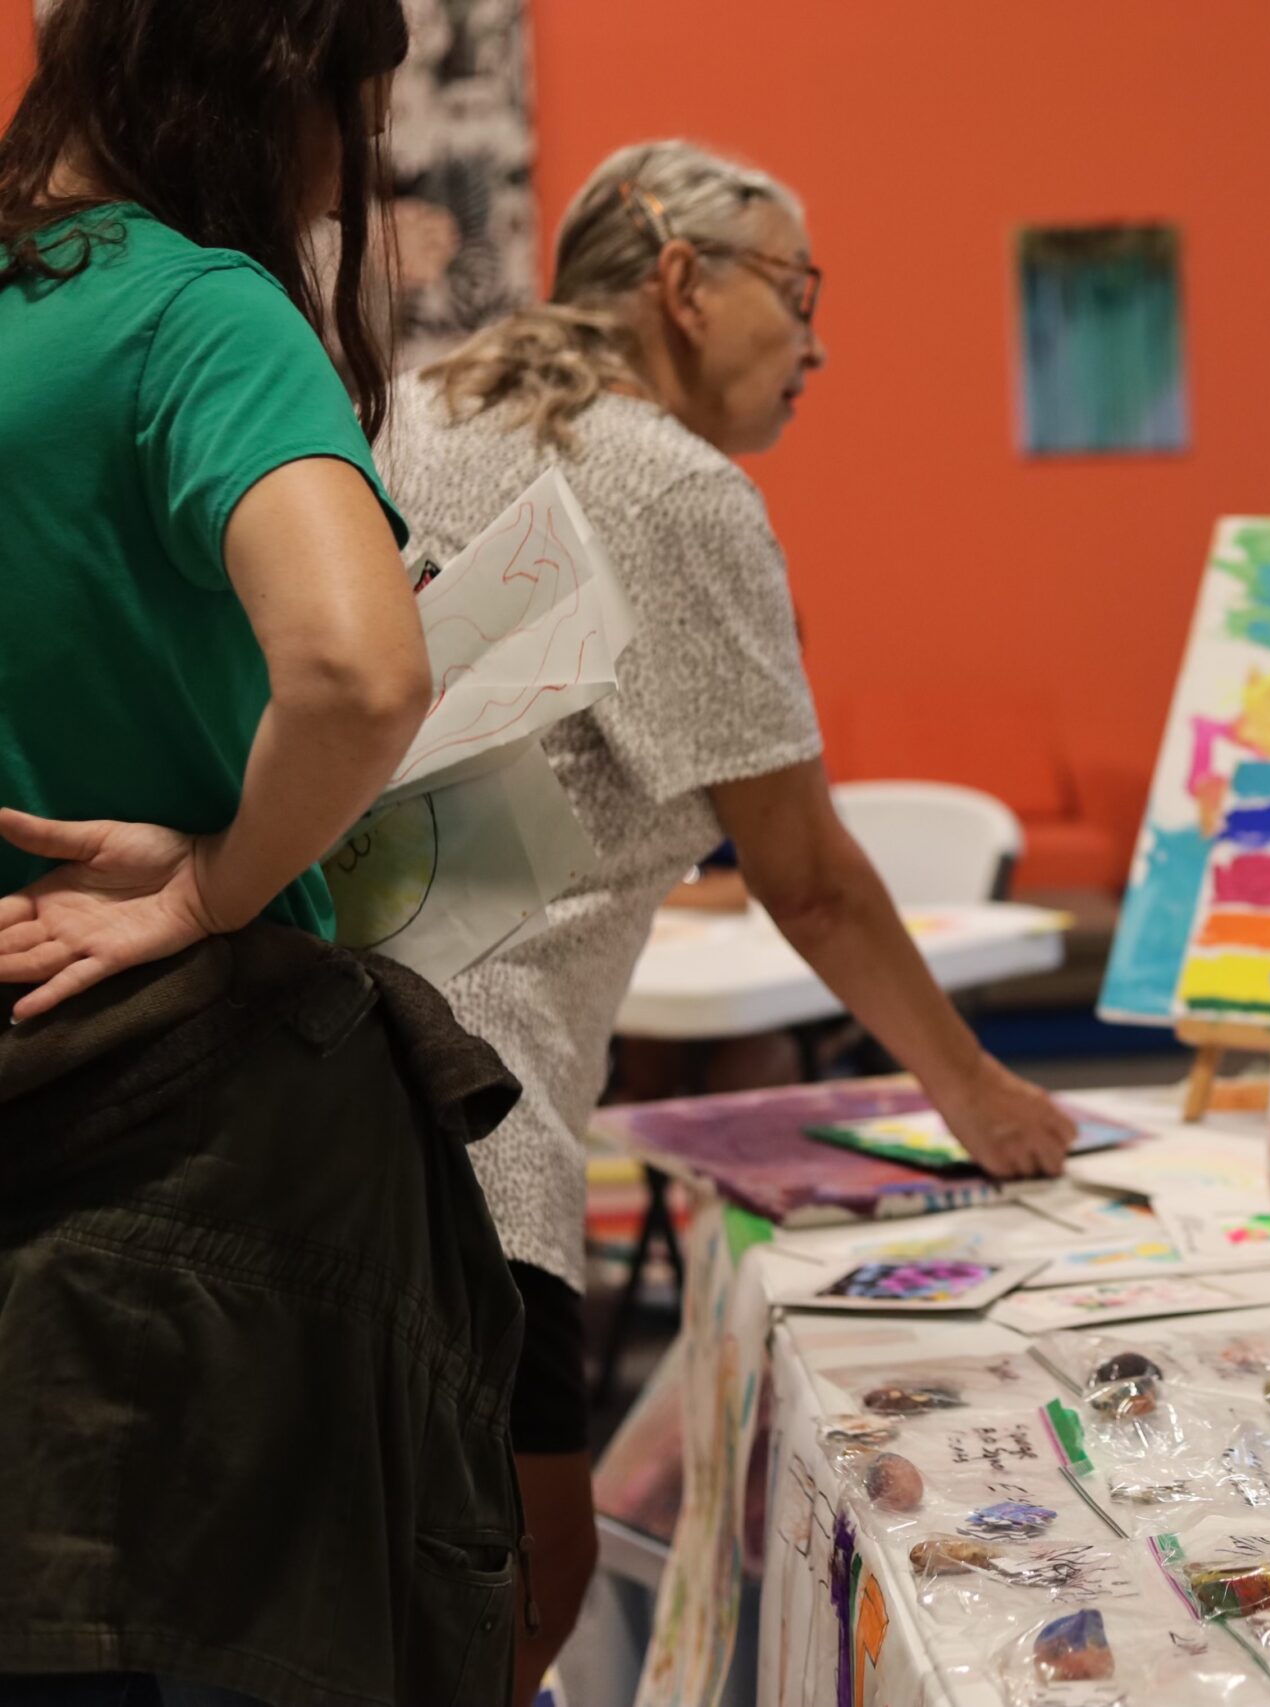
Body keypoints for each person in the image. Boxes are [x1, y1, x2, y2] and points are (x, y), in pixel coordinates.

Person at [380, 140, 1077, 1693]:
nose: (817, 341)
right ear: (684, 284)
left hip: (310, 1052)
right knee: (522, 1566)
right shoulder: (670, 481)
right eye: (798, 287)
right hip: (467, 1107)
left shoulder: (420, 405)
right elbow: (806, 869)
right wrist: (981, 1094)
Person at [0, 3, 527, 1704]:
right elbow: (361, 668)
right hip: (204, 1163)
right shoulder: (196, 310)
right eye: (350, 120)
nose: (347, 172)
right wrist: (214, 881)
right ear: (259, 86)